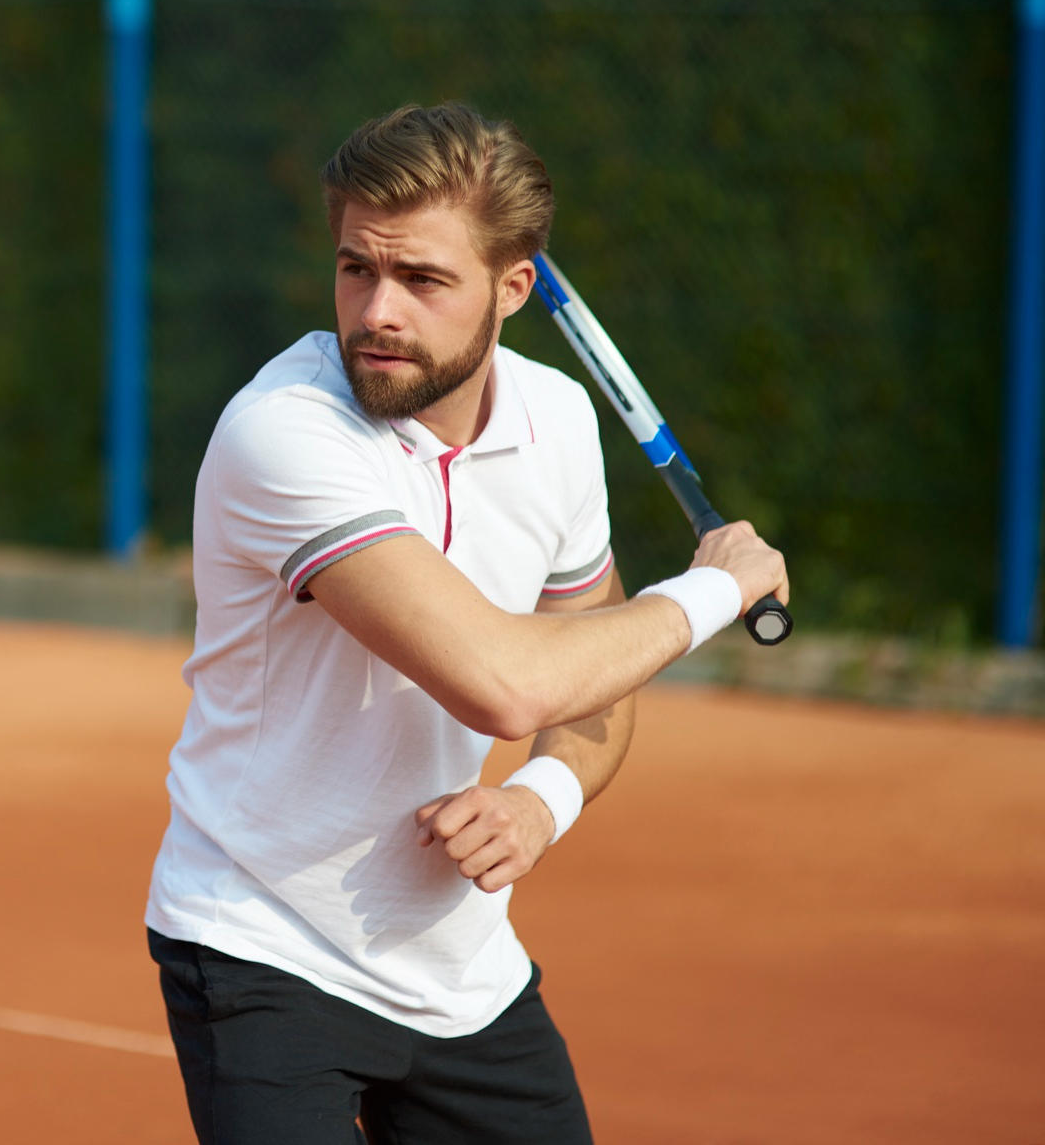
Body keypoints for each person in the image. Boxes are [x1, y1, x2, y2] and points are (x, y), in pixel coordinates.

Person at [144, 102, 789, 1145]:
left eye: (422, 280)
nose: (376, 311)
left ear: (513, 288)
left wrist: (540, 798)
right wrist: (713, 590)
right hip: (262, 945)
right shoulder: (284, 434)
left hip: (457, 971)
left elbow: (590, 678)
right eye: (356, 268)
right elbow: (502, 681)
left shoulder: (557, 424)